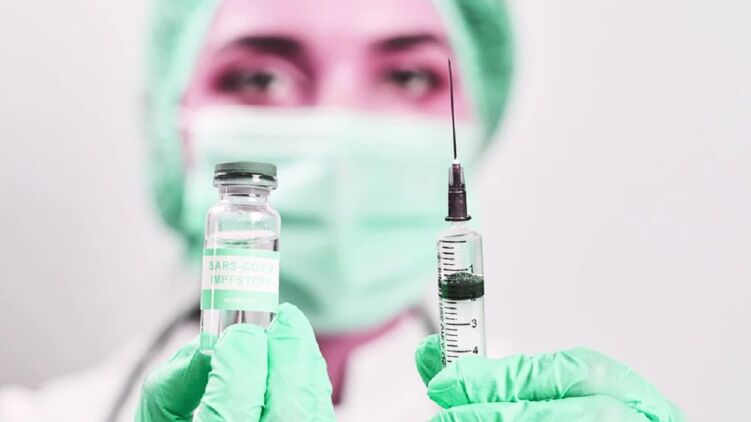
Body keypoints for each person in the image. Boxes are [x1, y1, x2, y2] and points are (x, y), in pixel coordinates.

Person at [0, 0, 684, 420]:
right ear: (170, 123)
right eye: (260, 77)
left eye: (408, 75)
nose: (339, 128)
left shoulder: (539, 411)